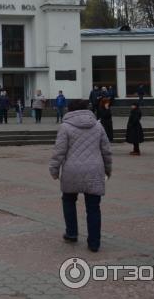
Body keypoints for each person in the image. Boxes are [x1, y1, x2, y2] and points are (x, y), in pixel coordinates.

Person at [49, 99, 112, 253]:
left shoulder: (65, 127)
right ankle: (94, 243)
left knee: (69, 201)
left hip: (72, 170)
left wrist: (54, 170)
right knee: (94, 208)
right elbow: (106, 151)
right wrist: (108, 170)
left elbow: (59, 151)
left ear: (69, 110)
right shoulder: (98, 126)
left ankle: (71, 233)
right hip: (94, 170)